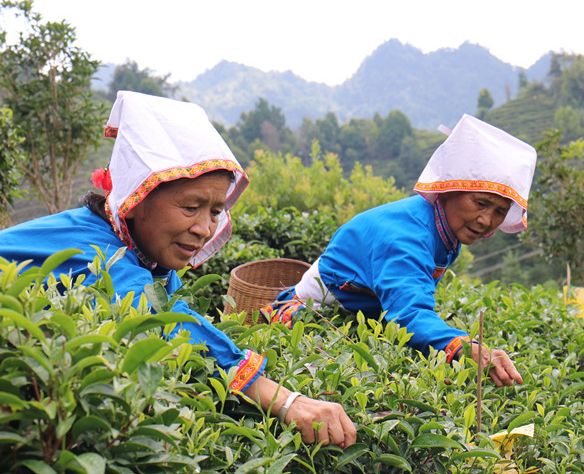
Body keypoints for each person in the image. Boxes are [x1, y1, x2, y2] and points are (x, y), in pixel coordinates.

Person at [0, 91, 356, 448]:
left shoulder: (143, 253)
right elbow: (164, 323)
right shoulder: (100, 251)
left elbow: (172, 309)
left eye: (215, 211)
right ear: (137, 199)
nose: (204, 228)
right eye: (190, 207)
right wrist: (285, 400)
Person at [262, 114, 537, 387]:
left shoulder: (446, 232)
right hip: (313, 322)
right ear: (450, 189)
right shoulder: (406, 237)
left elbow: (409, 299)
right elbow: (408, 313)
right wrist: (466, 346)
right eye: (480, 203)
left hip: (363, 323)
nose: (486, 220)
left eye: (499, 212)